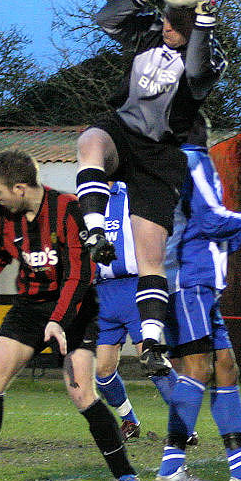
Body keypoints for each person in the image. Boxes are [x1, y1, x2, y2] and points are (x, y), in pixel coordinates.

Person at [0, 150, 143, 481]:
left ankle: (126, 476)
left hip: (76, 310)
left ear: (19, 188)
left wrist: (58, 321)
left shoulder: (67, 209)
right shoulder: (8, 218)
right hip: (29, 308)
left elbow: (80, 276)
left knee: (81, 392)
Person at [76, 0, 227, 378]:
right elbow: (106, 19)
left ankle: (154, 342)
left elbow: (197, 68)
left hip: (160, 155)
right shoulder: (147, 36)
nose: (166, 28)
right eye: (164, 20)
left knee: (150, 256)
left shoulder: (208, 59)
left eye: (175, 25)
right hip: (122, 133)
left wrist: (204, 17)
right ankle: (94, 230)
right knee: (90, 141)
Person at [153, 134, 241, 481]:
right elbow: (211, 221)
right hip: (188, 283)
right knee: (197, 369)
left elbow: (203, 232)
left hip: (201, 285)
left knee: (227, 368)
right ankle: (171, 468)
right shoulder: (192, 159)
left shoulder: (192, 161)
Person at [95, 180, 183, 441]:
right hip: (103, 294)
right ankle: (129, 420)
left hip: (136, 287)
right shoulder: (88, 203)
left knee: (152, 360)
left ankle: (184, 425)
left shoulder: (134, 193)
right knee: (102, 372)